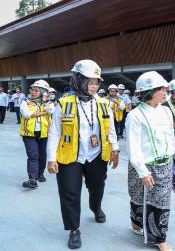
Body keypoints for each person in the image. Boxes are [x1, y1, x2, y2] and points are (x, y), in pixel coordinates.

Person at [47, 59, 120, 249]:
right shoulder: (63, 104)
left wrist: (115, 149)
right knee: (70, 193)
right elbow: (54, 133)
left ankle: (95, 207)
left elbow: (111, 129)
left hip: (96, 155)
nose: (94, 86)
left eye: (97, 82)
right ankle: (73, 229)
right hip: (70, 157)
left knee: (97, 187)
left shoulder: (104, 104)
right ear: (78, 80)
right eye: (90, 81)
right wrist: (51, 158)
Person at [126, 71, 175, 251]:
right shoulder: (135, 115)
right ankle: (136, 219)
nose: (165, 91)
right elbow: (133, 147)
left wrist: (174, 157)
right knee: (138, 196)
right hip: (144, 165)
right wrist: (143, 172)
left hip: (165, 165)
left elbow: (170, 137)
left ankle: (159, 237)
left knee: (161, 201)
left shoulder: (167, 111)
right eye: (161, 89)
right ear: (149, 91)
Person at [20, 80, 54, 188]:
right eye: (32, 89)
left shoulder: (49, 103)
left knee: (42, 156)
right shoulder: (25, 102)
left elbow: (51, 111)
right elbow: (27, 114)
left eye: (36, 90)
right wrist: (44, 112)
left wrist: (44, 101)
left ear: (43, 92)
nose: (33, 92)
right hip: (29, 134)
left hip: (44, 133)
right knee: (33, 155)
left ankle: (40, 174)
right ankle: (32, 179)